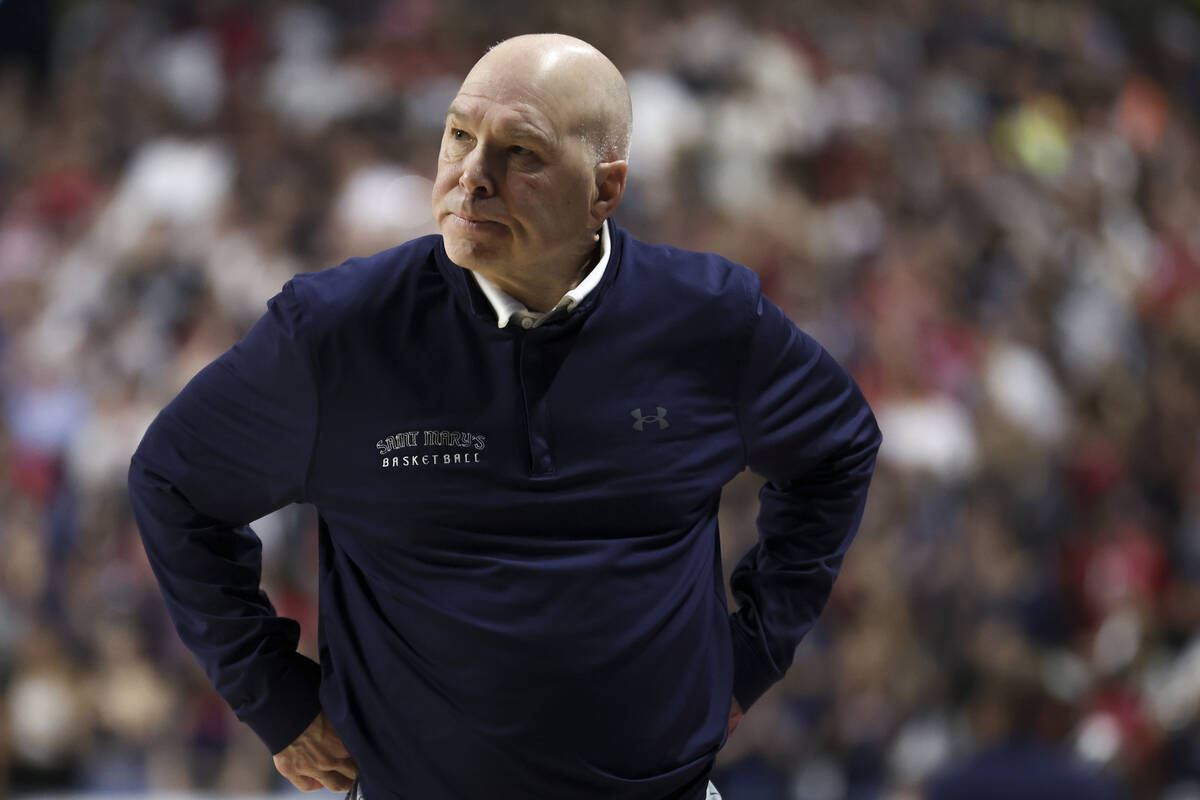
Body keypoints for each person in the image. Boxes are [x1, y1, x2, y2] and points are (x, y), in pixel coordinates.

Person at [128, 33, 880, 800]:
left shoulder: (711, 320)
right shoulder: (334, 332)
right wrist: (274, 696)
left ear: (605, 189)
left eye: (520, 152)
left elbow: (839, 449)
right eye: (459, 134)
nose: (470, 176)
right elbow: (170, 483)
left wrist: (750, 656)